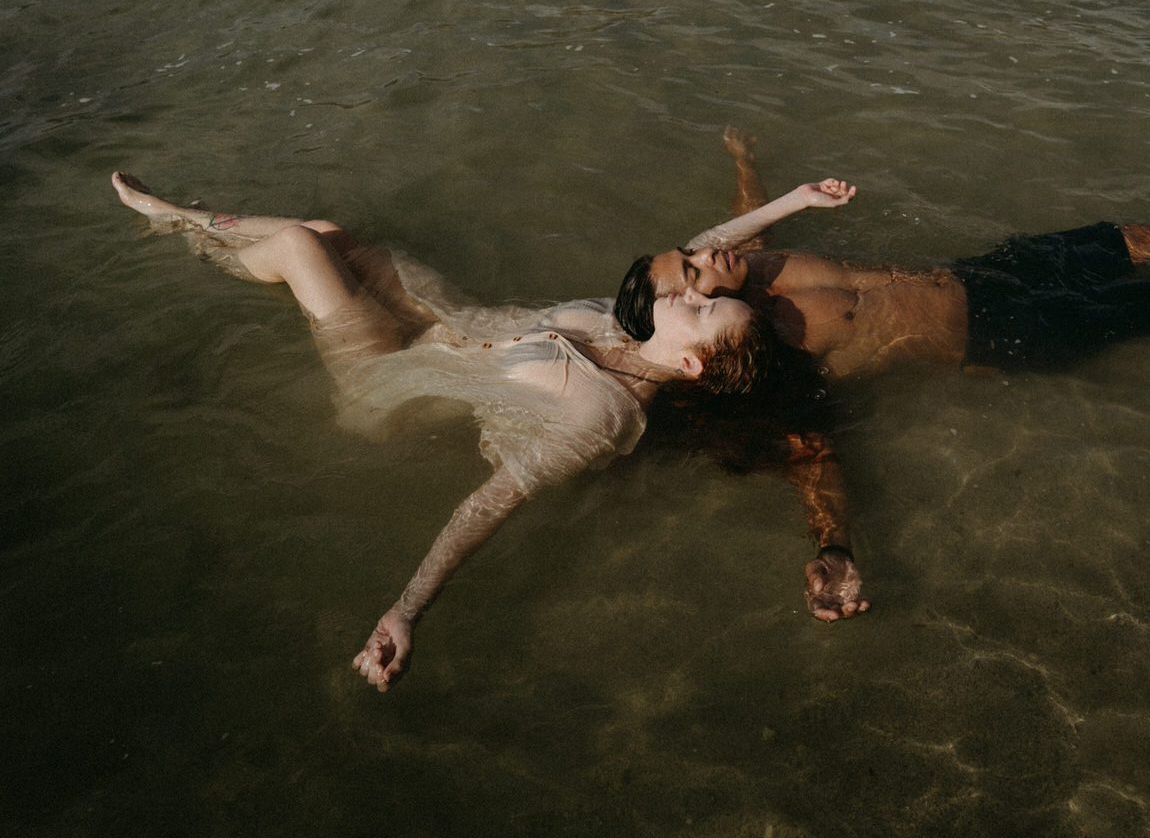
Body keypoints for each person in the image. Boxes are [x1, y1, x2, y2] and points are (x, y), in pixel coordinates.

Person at [613, 128, 1150, 617]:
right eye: (687, 277)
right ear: (687, 318)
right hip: (1006, 332)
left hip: (980, 273)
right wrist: (834, 545)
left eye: (691, 252)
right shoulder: (763, 351)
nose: (700, 260)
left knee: (1131, 236)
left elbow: (741, 216)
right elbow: (809, 452)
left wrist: (747, 160)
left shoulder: (745, 260)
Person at [111, 172, 775, 691]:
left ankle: (179, 229)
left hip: (395, 378)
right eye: (702, 291)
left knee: (296, 246)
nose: (694, 291)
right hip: (445, 320)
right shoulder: (631, 322)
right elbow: (702, 249)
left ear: (690, 364)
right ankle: (181, 219)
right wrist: (791, 203)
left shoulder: (599, 416)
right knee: (328, 232)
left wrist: (406, 609)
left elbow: (490, 503)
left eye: (704, 309)